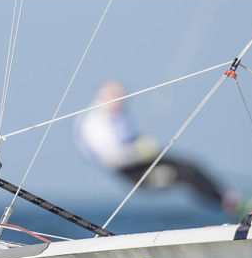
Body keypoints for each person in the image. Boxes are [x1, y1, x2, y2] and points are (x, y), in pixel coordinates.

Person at [75, 80, 235, 211]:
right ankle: (228, 205)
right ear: (101, 96)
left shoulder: (121, 116)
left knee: (192, 165)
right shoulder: (94, 123)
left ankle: (229, 197)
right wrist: (138, 151)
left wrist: (142, 147)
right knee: (186, 175)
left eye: (123, 97)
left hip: (145, 161)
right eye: (115, 96)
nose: (121, 101)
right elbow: (111, 159)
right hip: (133, 173)